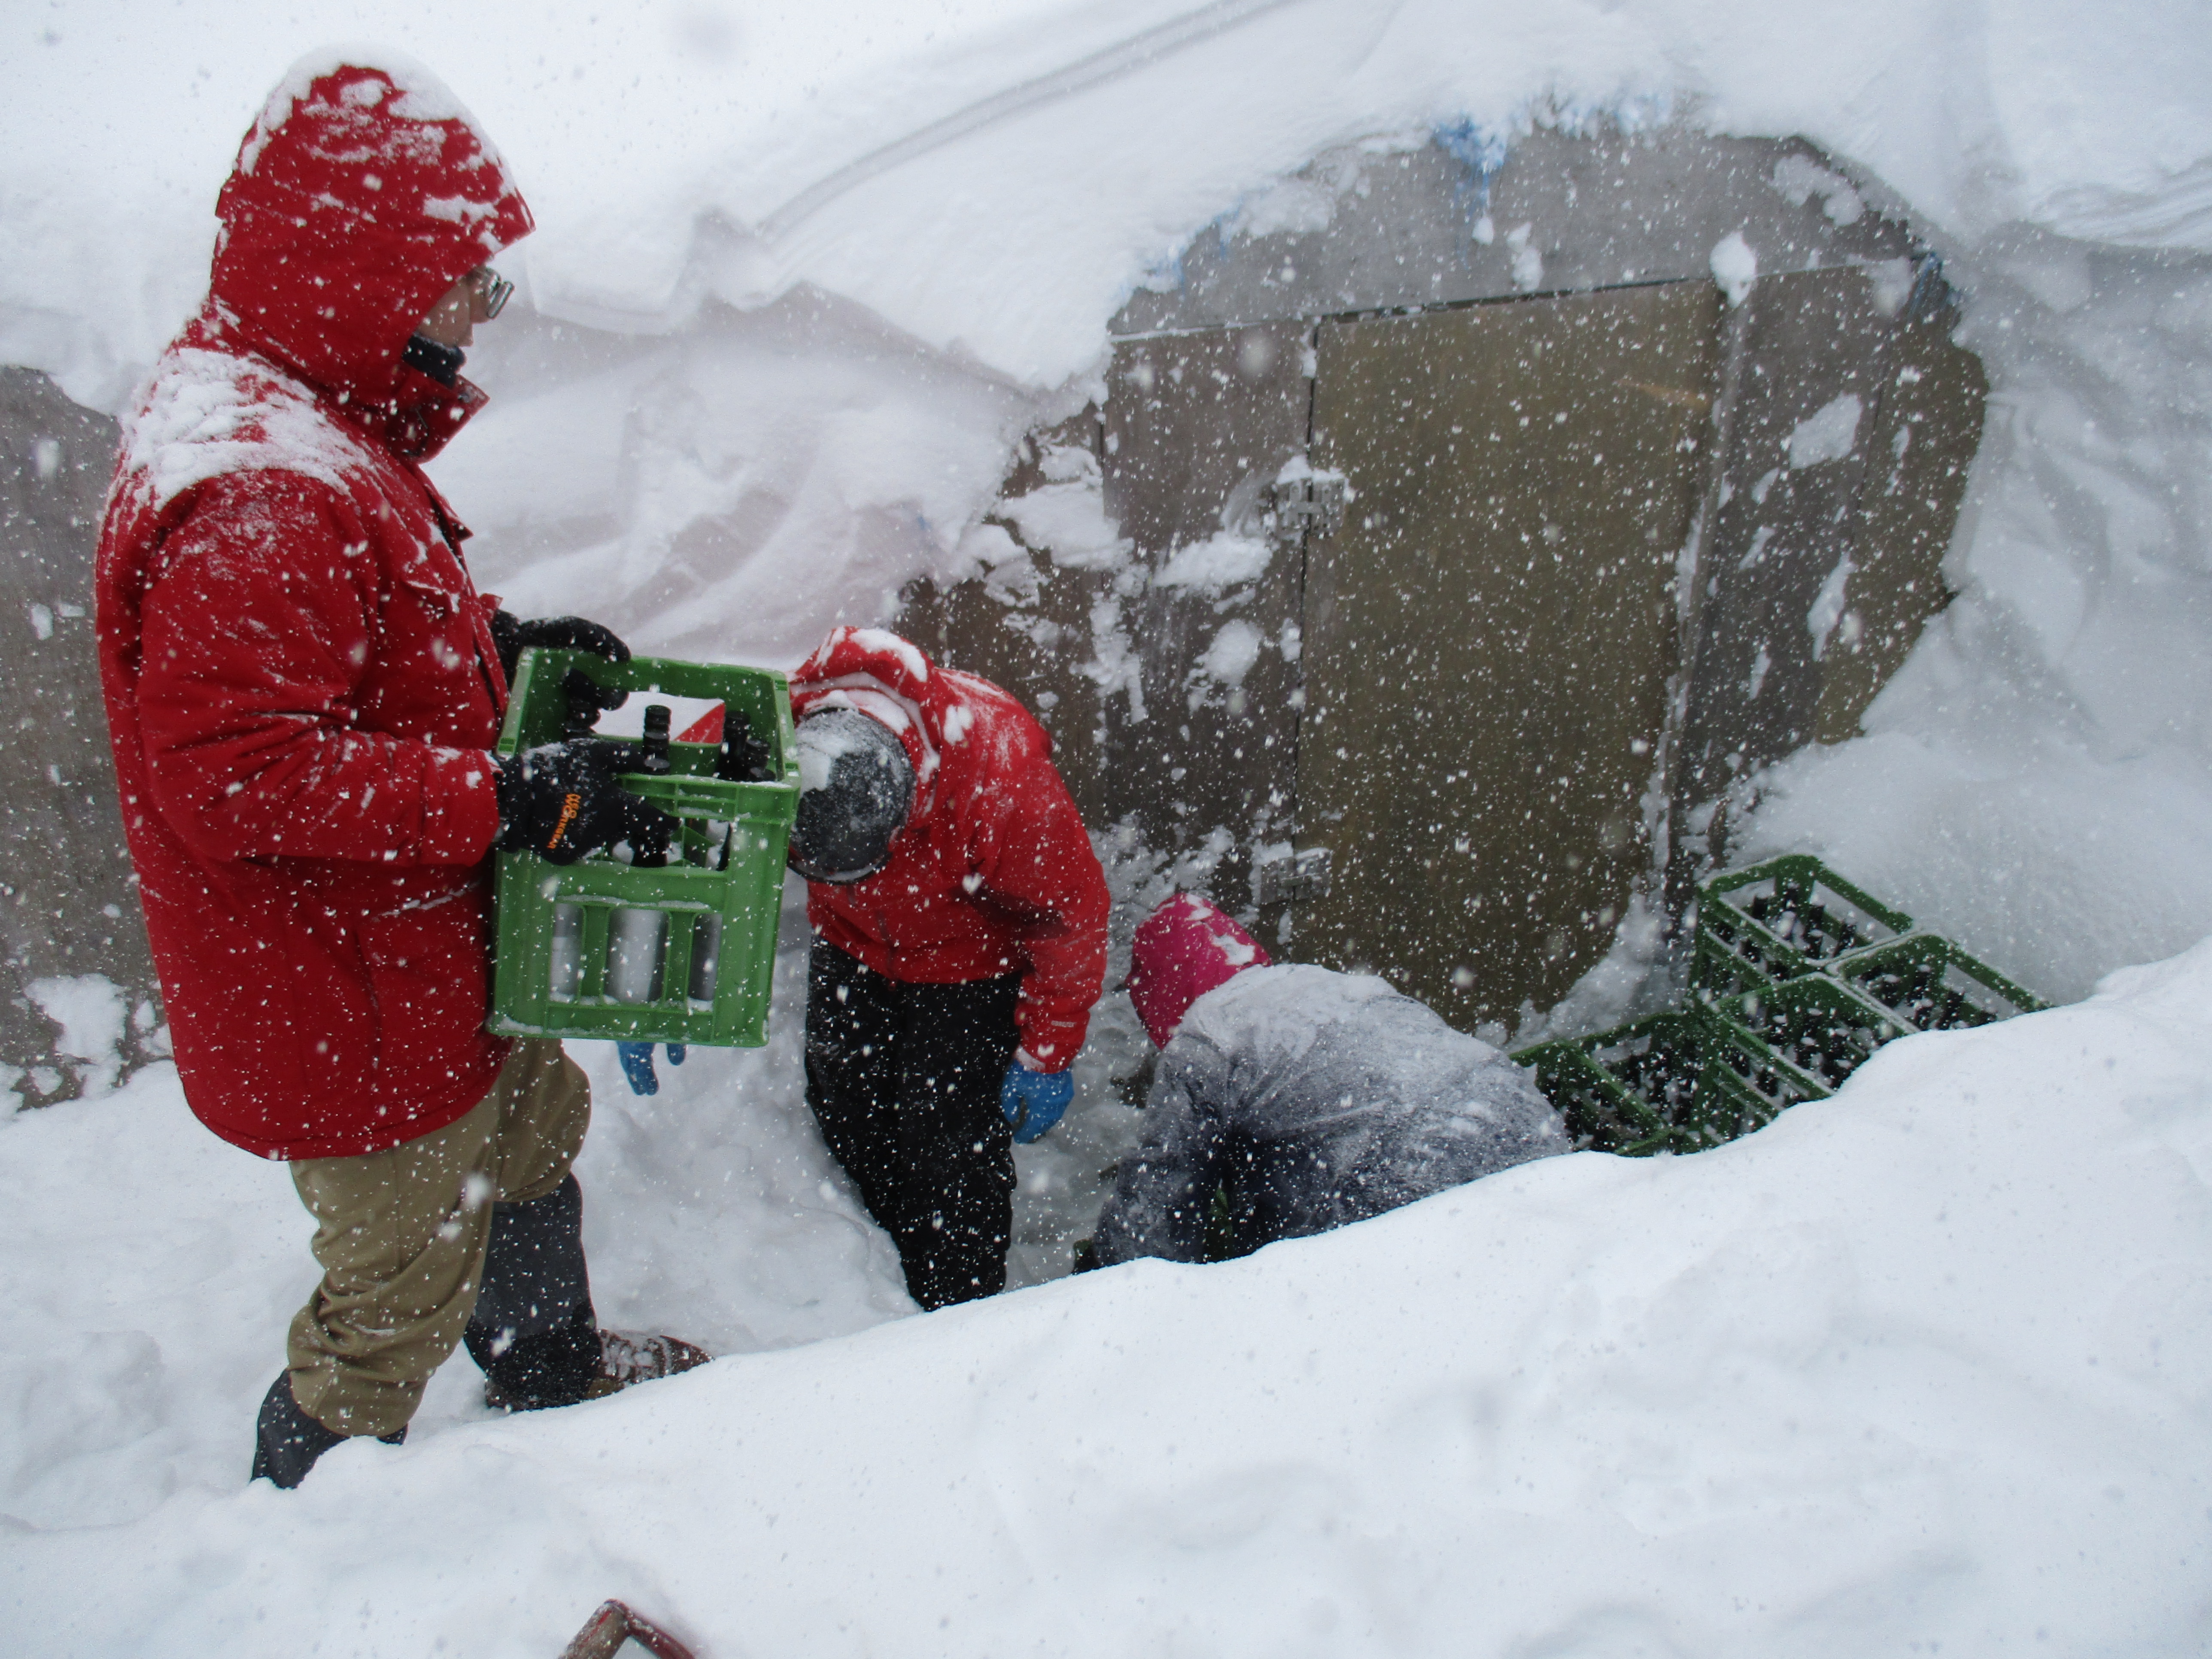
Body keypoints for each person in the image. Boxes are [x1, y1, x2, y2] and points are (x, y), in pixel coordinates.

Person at [94, 53, 703, 1489]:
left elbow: (351, 640)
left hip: (422, 952)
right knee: (391, 1304)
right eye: (463, 281)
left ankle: (550, 1366)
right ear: (362, 273)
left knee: (535, 1137)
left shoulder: (299, 415)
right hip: (352, 1001)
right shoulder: (262, 491)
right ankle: (295, 1537)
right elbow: (241, 776)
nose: (480, 313)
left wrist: (499, 646)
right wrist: (509, 798)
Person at [774, 625, 1109, 1308]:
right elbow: (677, 798)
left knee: (951, 1152)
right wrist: (662, 968)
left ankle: (955, 1310)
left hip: (969, 967)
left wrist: (1047, 1053)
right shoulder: (774, 727)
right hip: (849, 941)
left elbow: (1069, 918)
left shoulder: (1002, 783)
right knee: (847, 1108)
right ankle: (868, 1282)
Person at [1092, 894, 1571, 1264]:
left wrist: (1108, 1295)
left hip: (1407, 1175)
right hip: (1523, 1121)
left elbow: (1153, 1212)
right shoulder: (1335, 984)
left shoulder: (1207, 1034)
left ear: (1160, 996)